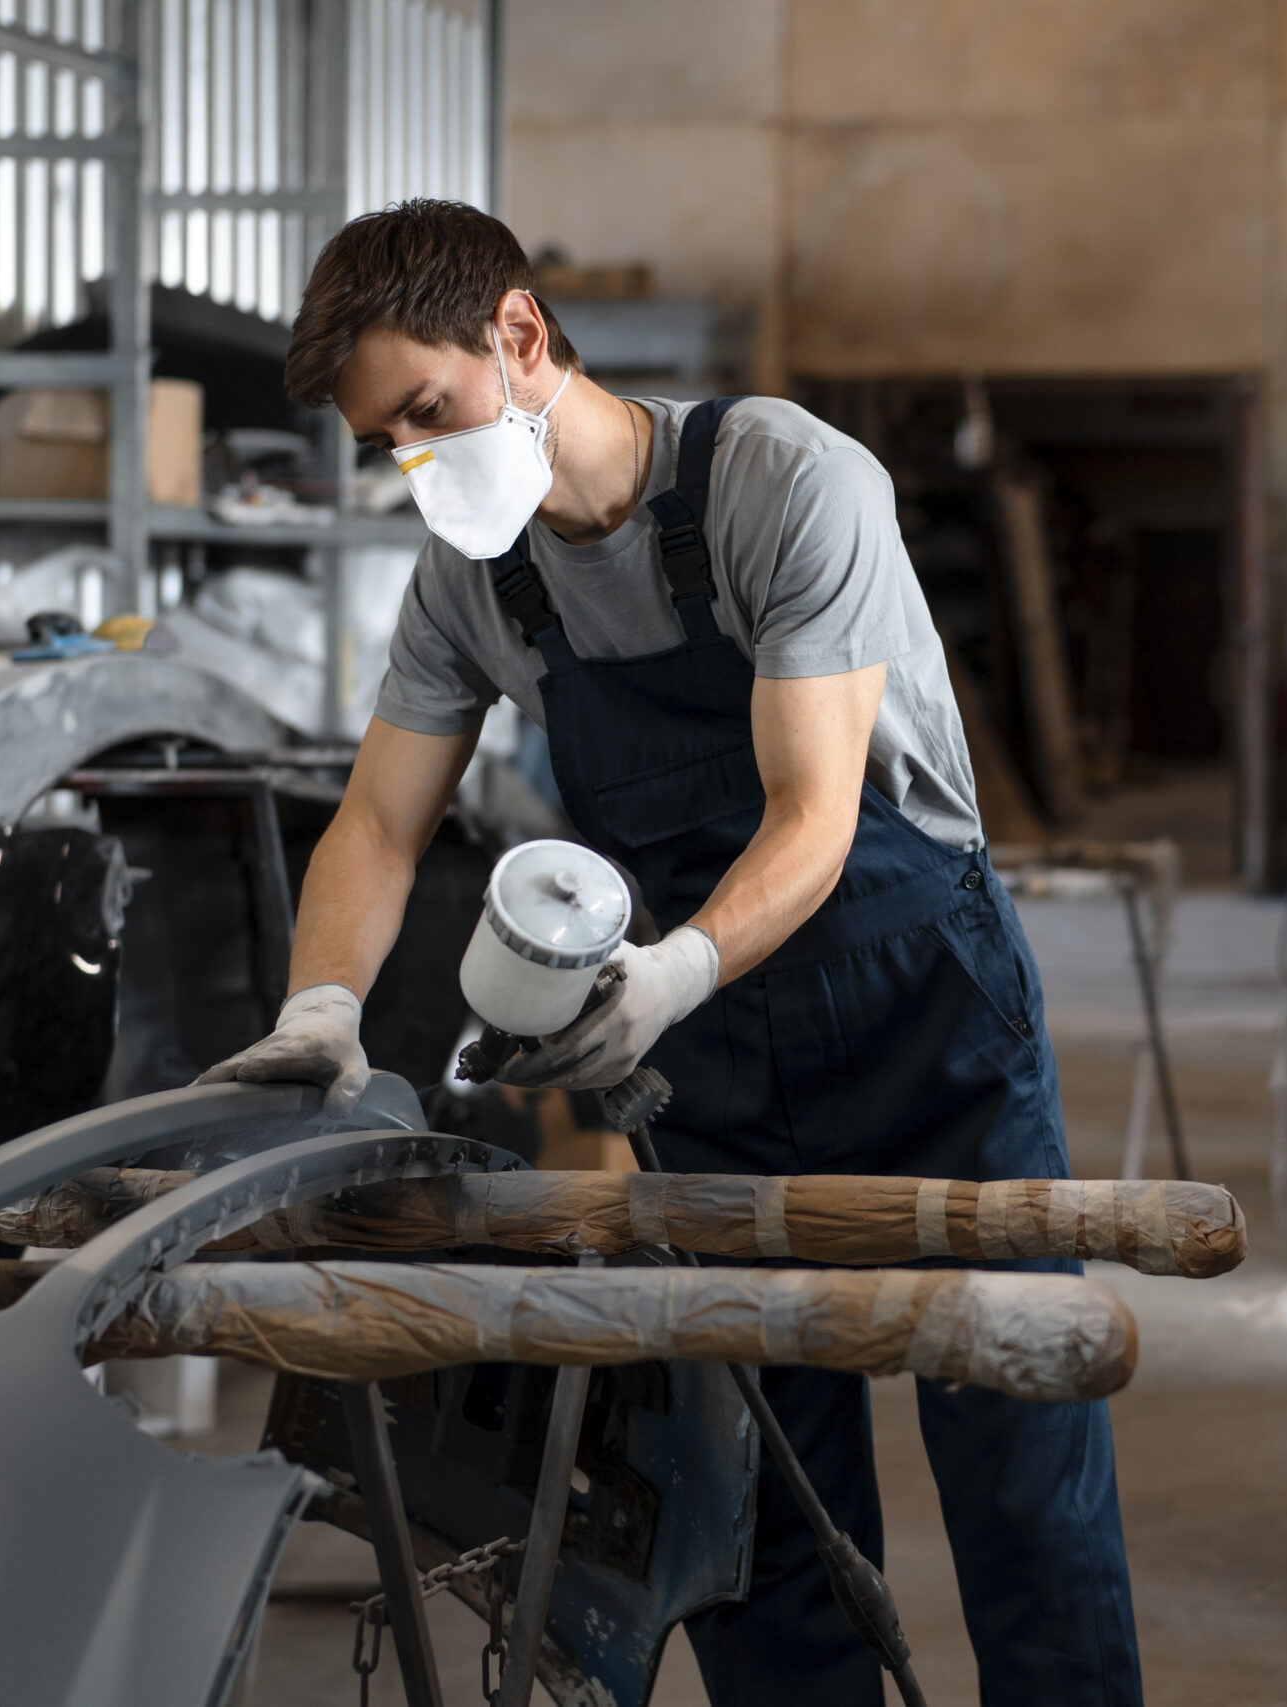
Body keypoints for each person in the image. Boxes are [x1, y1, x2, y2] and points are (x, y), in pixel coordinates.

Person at [200, 200, 1140, 1705]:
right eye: (389, 445)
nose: (418, 466)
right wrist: (323, 1011)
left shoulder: (784, 482)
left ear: (517, 331)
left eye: (427, 415)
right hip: (715, 1076)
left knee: (1025, 1481)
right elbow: (377, 824)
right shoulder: (476, 582)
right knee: (762, 1534)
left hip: (925, 1030)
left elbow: (817, 816)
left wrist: (668, 975)